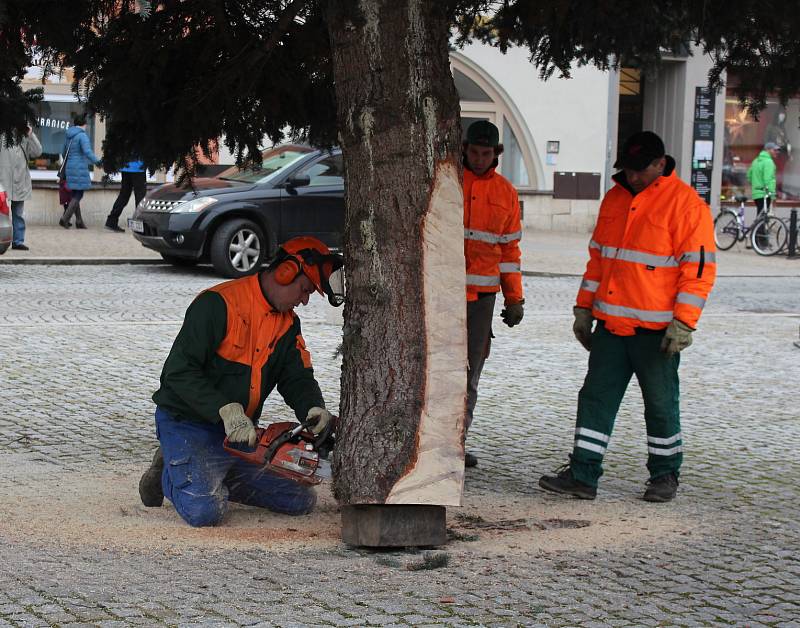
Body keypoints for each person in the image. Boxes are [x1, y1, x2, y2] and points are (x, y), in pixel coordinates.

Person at [539, 131, 716, 503]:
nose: (632, 177)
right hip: (610, 327)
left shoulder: (686, 205)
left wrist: (684, 322)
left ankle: (665, 475)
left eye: (640, 170)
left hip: (656, 331)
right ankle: (583, 474)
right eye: (627, 170)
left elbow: (698, 270)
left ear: (660, 163)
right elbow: (599, 259)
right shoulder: (615, 199)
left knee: (660, 403)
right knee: (595, 399)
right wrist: (583, 308)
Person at [138, 236, 345, 527]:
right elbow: (178, 373)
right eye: (305, 289)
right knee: (205, 512)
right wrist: (226, 409)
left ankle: (210, 470)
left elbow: (296, 376)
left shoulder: (287, 323)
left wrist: (312, 407)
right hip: (187, 423)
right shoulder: (218, 304)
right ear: (286, 272)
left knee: (299, 501)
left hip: (238, 435)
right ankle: (168, 475)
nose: (305, 299)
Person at [462, 120, 524, 468]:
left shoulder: (505, 193)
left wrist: (514, 299)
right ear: (465, 149)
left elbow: (509, 252)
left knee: (470, 374)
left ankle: (458, 440)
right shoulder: (450, 181)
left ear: (496, 154)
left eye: (486, 154)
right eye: (474, 152)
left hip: (483, 299)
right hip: (446, 293)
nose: (480, 159)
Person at [0, 124, 42, 250]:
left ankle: (18, 241)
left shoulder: (24, 136)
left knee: (18, 214)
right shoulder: (2, 135)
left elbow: (38, 152)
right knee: (1, 214)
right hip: (3, 181)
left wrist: (31, 135)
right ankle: (2, 240)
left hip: (20, 181)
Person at [60, 113, 102, 229]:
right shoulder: (82, 136)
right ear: (84, 124)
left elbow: (64, 153)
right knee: (79, 194)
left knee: (74, 194)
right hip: (79, 168)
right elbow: (88, 152)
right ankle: (65, 218)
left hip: (70, 167)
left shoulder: (69, 135)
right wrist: (98, 162)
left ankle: (79, 221)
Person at [105, 159, 146, 232]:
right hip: (139, 168)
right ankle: (139, 225)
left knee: (124, 195)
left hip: (126, 167)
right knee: (140, 197)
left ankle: (111, 221)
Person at [747, 142, 778, 216]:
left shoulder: (756, 161)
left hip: (756, 194)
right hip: (765, 194)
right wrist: (772, 195)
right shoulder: (768, 162)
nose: (776, 152)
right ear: (768, 150)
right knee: (762, 219)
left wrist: (756, 185)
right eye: (774, 150)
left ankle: (757, 227)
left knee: (760, 216)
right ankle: (759, 227)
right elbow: (768, 180)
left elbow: (749, 176)